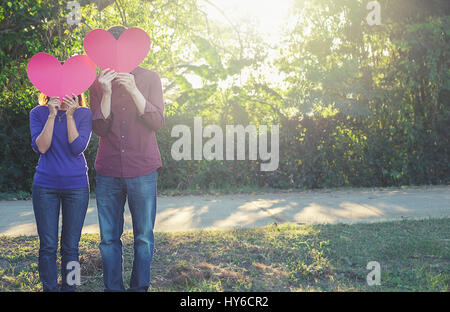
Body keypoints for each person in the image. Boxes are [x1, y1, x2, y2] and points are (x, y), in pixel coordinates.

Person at [90, 26, 165, 292]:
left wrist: (134, 90)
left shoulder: (150, 78)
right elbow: (99, 128)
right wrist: (107, 92)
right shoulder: (98, 83)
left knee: (143, 238)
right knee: (109, 239)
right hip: (108, 170)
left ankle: (139, 288)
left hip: (143, 169)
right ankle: (114, 288)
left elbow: (157, 121)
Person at [29, 92, 92, 292]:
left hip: (77, 187)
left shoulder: (84, 114)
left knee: (71, 247)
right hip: (45, 186)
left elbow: (77, 147)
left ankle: (70, 287)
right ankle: (49, 288)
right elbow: (41, 147)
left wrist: (71, 116)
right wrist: (51, 115)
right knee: (47, 246)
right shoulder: (38, 113)